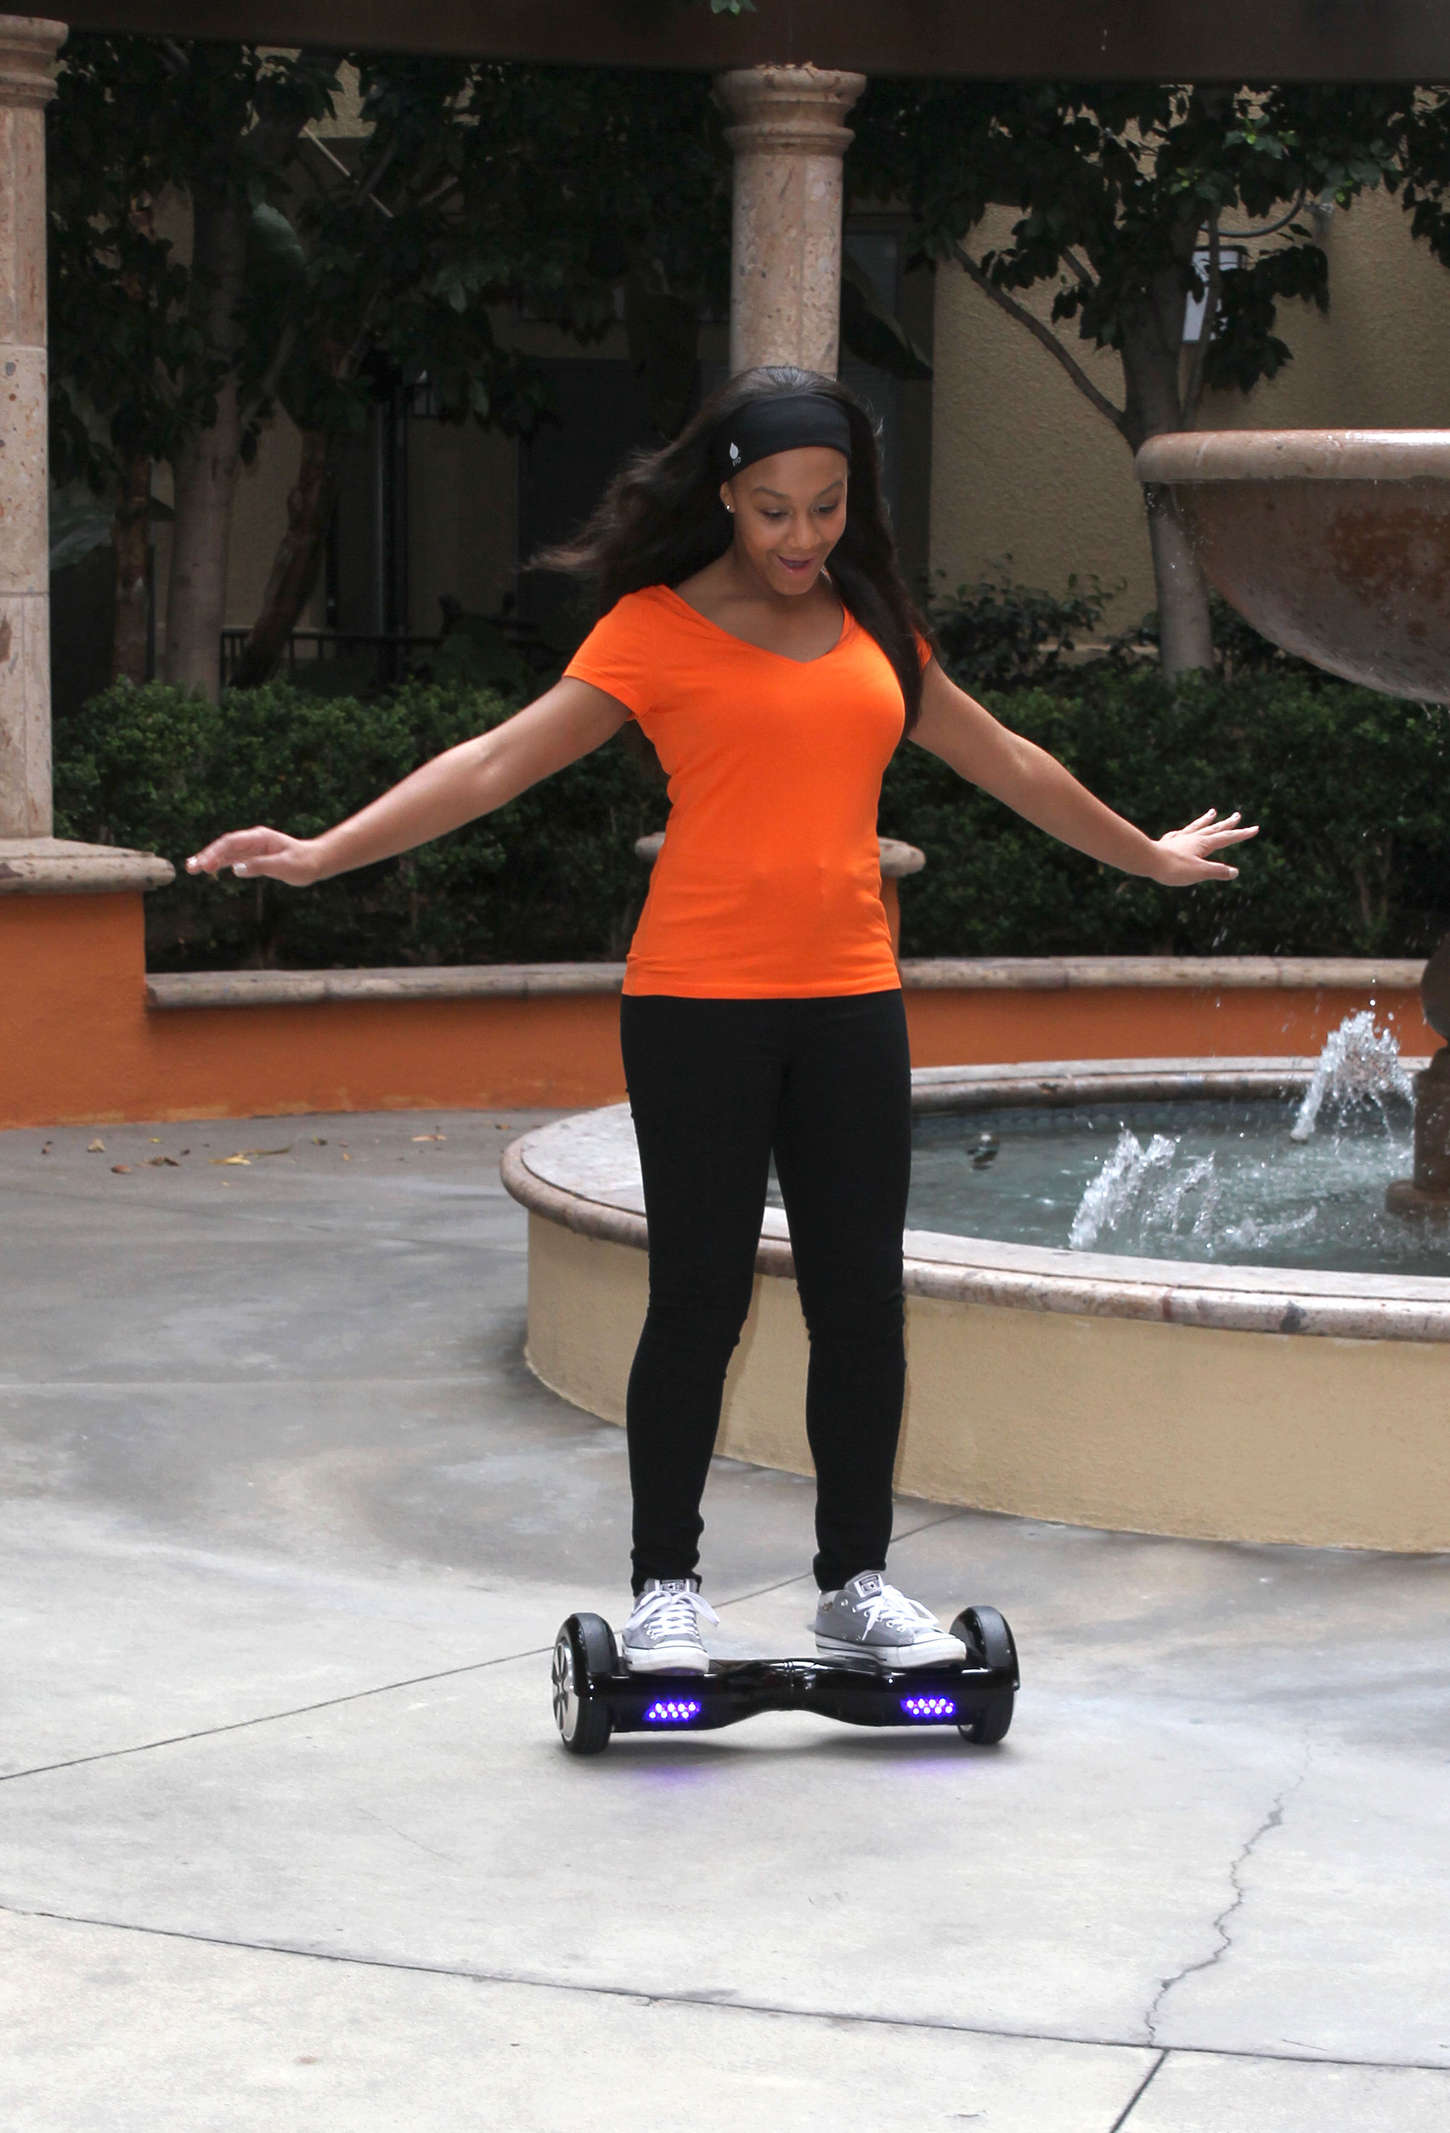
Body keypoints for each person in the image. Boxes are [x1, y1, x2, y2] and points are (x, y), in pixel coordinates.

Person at [188, 365, 1256, 1677]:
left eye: (825, 506)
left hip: (851, 1001)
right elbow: (492, 761)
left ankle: (855, 1581)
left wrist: (1143, 855)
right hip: (696, 1005)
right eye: (771, 512)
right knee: (697, 1300)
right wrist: (319, 853)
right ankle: (665, 1588)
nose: (801, 537)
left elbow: (1010, 760)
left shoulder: (871, 619)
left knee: (861, 1303)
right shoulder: (653, 626)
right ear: (724, 501)